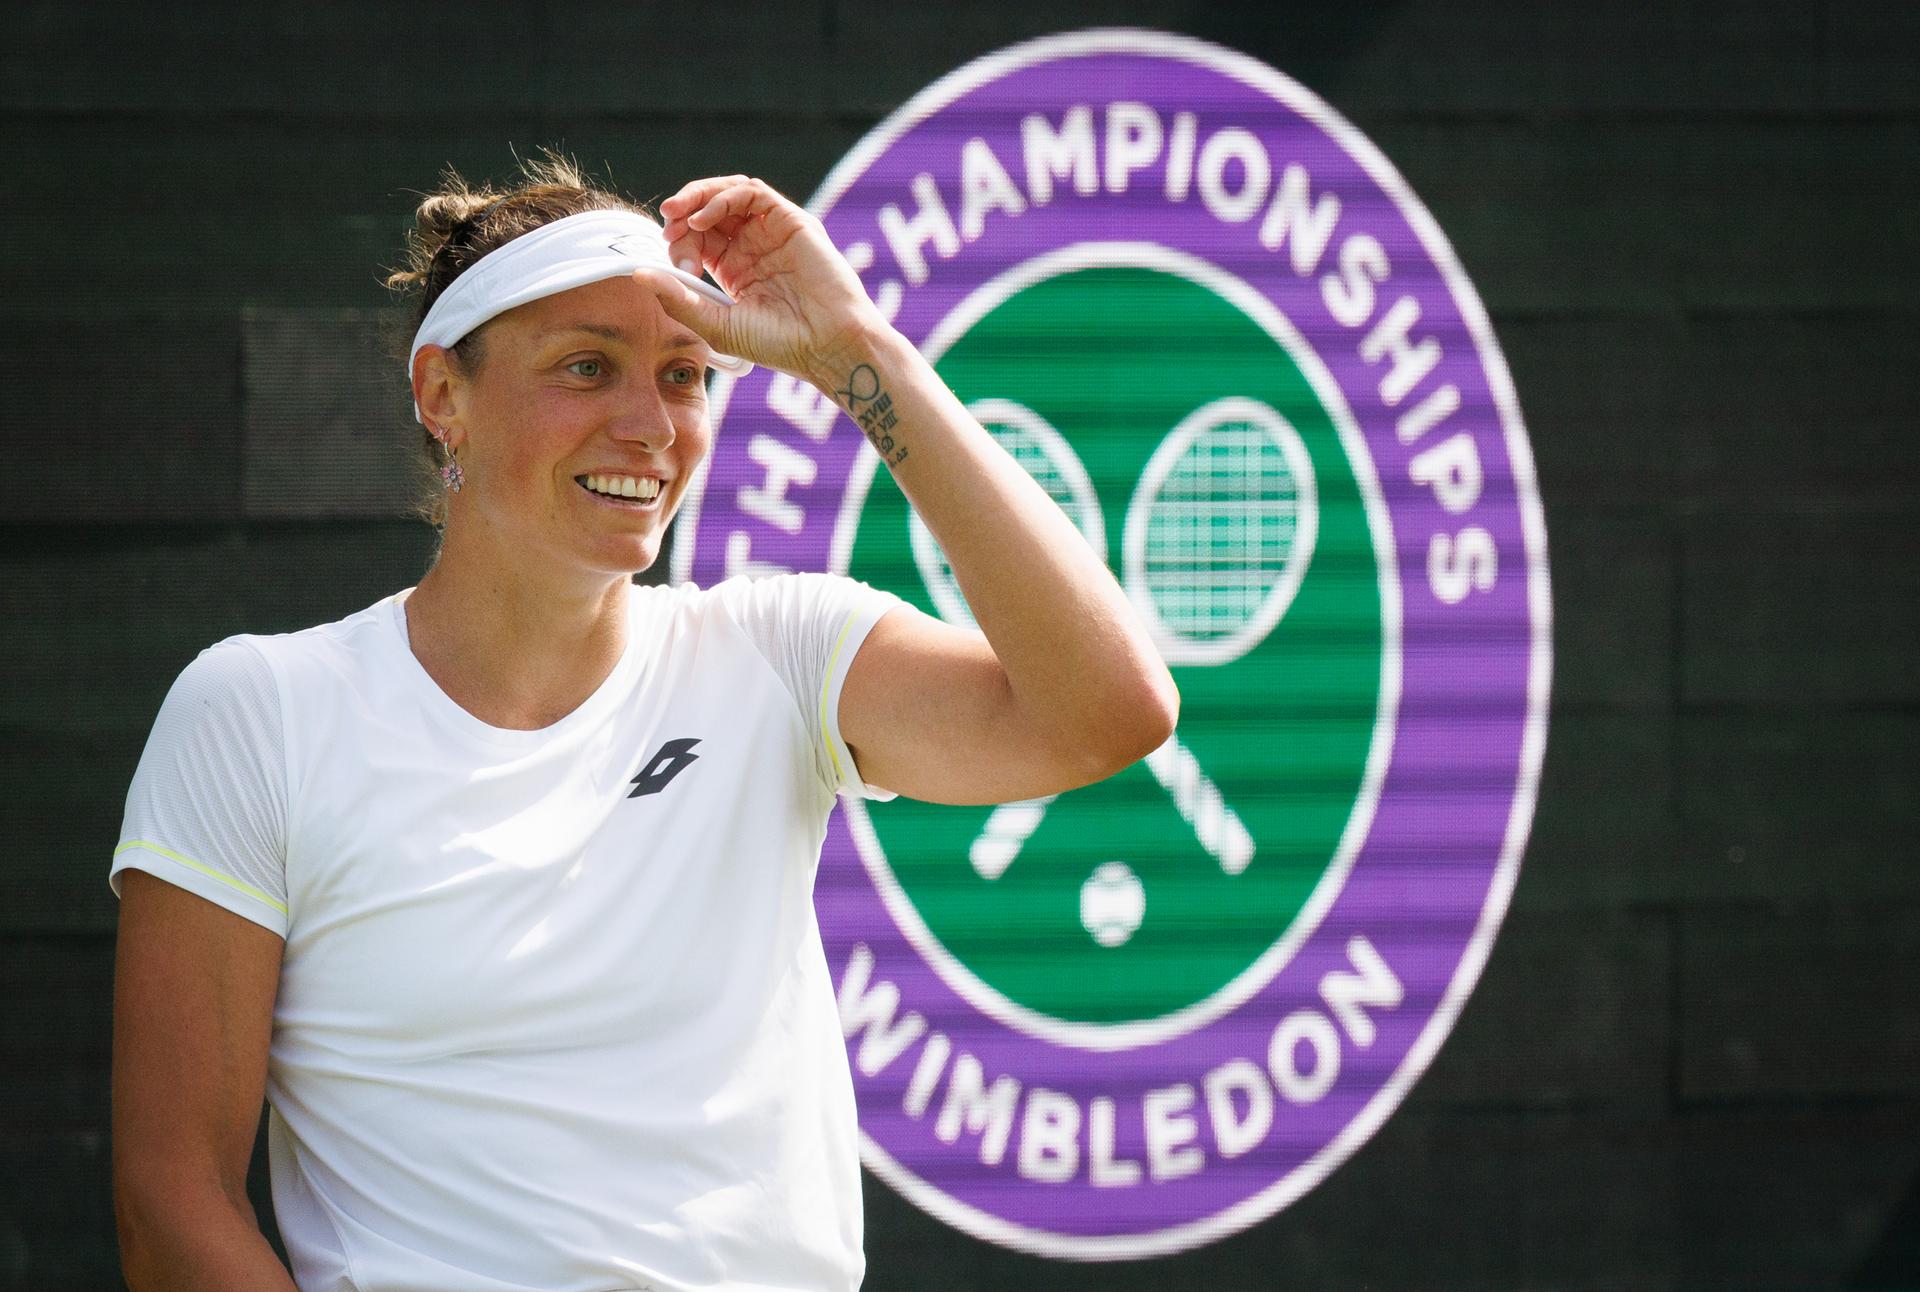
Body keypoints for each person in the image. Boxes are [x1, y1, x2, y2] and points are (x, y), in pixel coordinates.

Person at [108, 152, 1179, 1292]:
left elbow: (1106, 711)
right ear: (442, 395)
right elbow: (174, 1204)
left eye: (684, 374)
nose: (650, 426)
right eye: (587, 367)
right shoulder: (258, 712)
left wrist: (857, 351)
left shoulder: (782, 650)